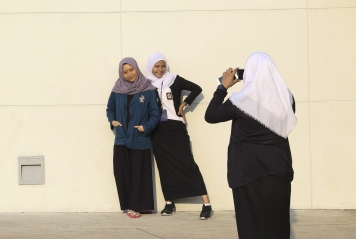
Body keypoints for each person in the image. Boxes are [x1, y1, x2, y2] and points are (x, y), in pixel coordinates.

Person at [204, 52, 297, 239]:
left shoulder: (241, 101)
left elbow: (211, 115)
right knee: (277, 225)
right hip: (279, 169)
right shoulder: (287, 99)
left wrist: (222, 87)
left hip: (248, 173)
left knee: (252, 226)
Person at [145, 52, 213, 219]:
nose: (160, 70)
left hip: (175, 126)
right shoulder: (147, 84)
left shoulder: (174, 79)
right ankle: (169, 202)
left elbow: (197, 88)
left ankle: (207, 204)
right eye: (156, 66)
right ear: (151, 67)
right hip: (157, 129)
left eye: (162, 66)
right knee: (164, 166)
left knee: (188, 163)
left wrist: (184, 104)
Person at [106, 57, 160, 218]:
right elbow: (110, 108)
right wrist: (113, 121)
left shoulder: (148, 89)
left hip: (139, 137)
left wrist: (146, 127)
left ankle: (136, 207)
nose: (129, 74)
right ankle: (130, 204)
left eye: (131, 70)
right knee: (121, 172)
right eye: (125, 72)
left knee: (139, 173)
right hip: (122, 137)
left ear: (137, 68)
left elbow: (155, 114)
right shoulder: (117, 89)